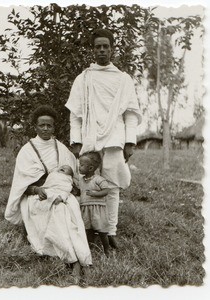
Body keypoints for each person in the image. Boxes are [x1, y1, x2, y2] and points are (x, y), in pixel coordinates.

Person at [65, 28, 142, 249]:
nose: (101, 50)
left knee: (113, 185)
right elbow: (76, 114)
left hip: (115, 137)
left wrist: (129, 142)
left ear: (112, 49)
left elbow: (130, 114)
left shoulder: (123, 79)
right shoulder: (84, 78)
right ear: (92, 50)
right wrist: (76, 141)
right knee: (87, 183)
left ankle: (110, 231)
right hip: (90, 136)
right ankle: (89, 230)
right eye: (97, 46)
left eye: (105, 46)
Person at [5, 105, 92, 282]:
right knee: (60, 211)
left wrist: (67, 177)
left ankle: (83, 259)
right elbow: (22, 187)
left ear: (54, 127)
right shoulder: (27, 151)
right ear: (35, 127)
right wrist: (38, 189)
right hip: (36, 197)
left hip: (61, 193)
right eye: (42, 125)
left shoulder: (62, 149)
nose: (45, 129)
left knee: (71, 209)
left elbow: (74, 178)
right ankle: (74, 260)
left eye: (49, 126)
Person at [78, 152, 113, 257]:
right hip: (85, 208)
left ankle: (107, 249)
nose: (79, 167)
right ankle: (90, 248)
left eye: (81, 165)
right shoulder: (81, 180)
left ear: (90, 168)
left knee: (101, 230)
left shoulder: (98, 179)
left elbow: (106, 190)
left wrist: (95, 194)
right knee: (88, 229)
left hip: (97, 208)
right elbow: (80, 190)